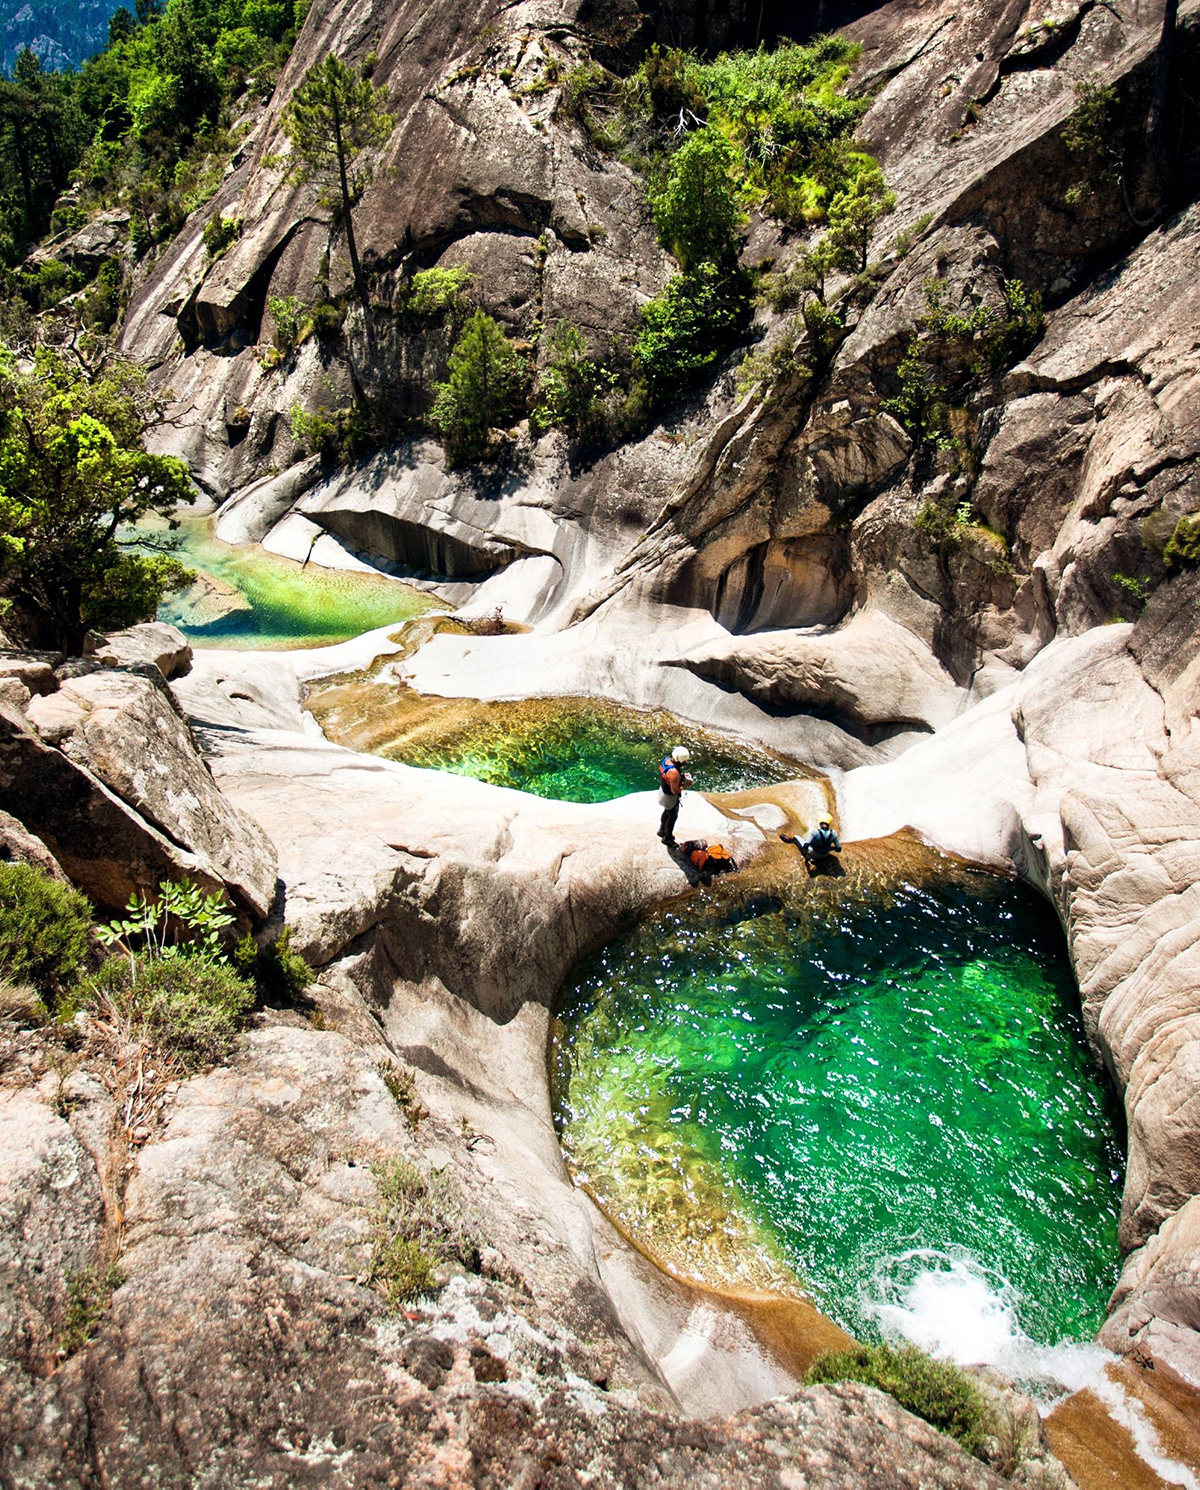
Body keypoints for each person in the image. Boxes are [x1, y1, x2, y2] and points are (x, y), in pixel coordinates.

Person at [657, 744, 693, 845]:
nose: (685, 763)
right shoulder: (674, 773)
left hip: (663, 792)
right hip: (669, 798)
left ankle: (661, 830)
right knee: (672, 817)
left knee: (666, 812)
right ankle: (667, 838)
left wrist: (681, 777)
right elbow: (675, 791)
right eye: (684, 761)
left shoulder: (666, 760)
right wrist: (686, 784)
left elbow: (668, 778)